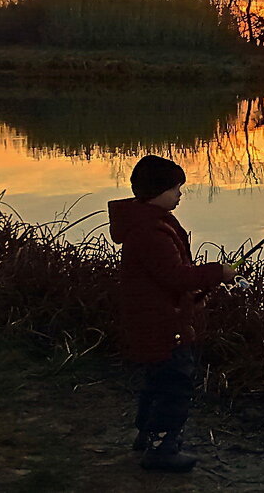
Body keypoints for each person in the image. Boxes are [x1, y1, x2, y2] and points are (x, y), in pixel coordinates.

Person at [108, 155, 234, 472]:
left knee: (156, 382)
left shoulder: (148, 224)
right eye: (177, 188)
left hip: (155, 320)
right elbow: (175, 276)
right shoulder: (151, 231)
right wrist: (218, 271)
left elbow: (167, 280)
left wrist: (192, 295)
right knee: (174, 384)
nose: (180, 194)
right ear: (160, 191)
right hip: (162, 327)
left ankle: (147, 436)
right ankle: (162, 448)